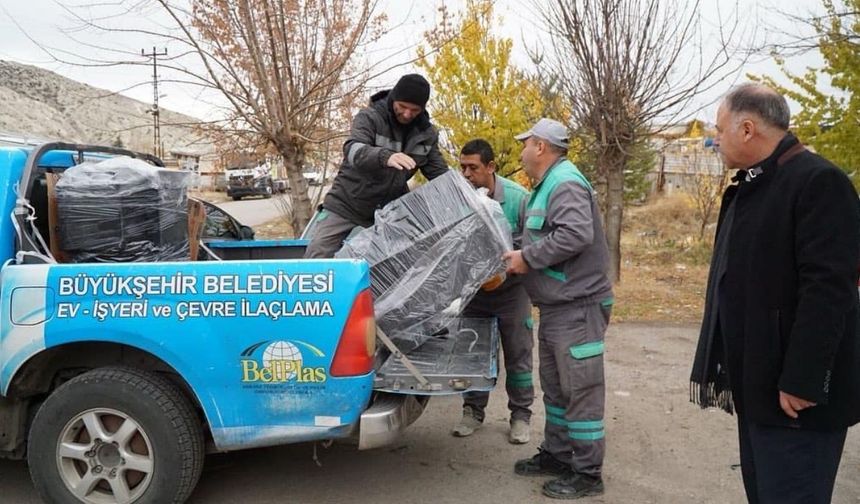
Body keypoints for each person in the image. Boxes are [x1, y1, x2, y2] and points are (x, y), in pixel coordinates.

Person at [690, 83, 860, 504]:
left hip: (796, 399)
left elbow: (829, 291)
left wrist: (803, 380)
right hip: (759, 385)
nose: (715, 139)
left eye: (720, 129)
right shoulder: (756, 185)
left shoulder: (819, 182)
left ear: (747, 129)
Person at [503, 119, 613, 499]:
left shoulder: (564, 182)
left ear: (540, 147)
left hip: (577, 307)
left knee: (580, 391)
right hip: (556, 307)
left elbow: (575, 234)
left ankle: (587, 473)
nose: (521, 153)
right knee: (556, 390)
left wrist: (527, 258)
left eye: (525, 145)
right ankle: (558, 454)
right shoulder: (548, 185)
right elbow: (545, 233)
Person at [304, 74, 448, 258]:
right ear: (394, 98)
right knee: (317, 254)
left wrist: (468, 195)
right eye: (402, 107)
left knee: (403, 260)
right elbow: (353, 150)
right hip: (348, 202)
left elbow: (440, 174)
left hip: (389, 209)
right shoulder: (370, 118)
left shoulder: (426, 135)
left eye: (414, 110)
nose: (407, 114)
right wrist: (384, 156)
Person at [451, 139, 535, 444]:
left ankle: (520, 415)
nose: (466, 174)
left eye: (473, 167)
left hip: (512, 292)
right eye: (462, 167)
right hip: (475, 292)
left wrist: (511, 265)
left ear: (491, 167)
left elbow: (533, 246)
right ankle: (473, 411)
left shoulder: (518, 199)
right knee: (473, 351)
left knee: (518, 353)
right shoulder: (460, 199)